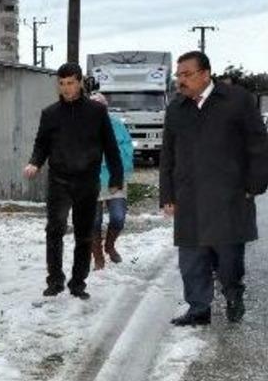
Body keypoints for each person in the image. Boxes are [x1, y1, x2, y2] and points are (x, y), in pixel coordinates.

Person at [160, 51, 268, 325]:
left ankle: (233, 293)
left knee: (229, 257)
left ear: (205, 73)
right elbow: (168, 156)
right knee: (191, 259)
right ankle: (198, 309)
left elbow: (258, 145)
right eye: (178, 75)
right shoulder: (176, 108)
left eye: (186, 74)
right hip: (189, 195)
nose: (180, 80)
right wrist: (167, 194)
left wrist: (254, 185)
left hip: (229, 194)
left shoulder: (237, 100)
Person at [23, 62, 124, 299]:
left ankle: (78, 283)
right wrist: (35, 162)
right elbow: (41, 144)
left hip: (87, 182)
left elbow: (110, 146)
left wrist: (116, 176)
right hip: (59, 181)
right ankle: (55, 280)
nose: (66, 88)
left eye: (70, 83)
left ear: (79, 82)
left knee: (84, 234)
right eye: (61, 84)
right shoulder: (50, 114)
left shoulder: (96, 112)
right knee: (54, 230)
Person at [89, 92, 135, 269]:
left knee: (118, 217)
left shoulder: (116, 125)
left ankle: (109, 245)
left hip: (115, 177)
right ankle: (98, 256)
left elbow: (127, 148)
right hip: (91, 181)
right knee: (94, 221)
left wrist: (110, 157)